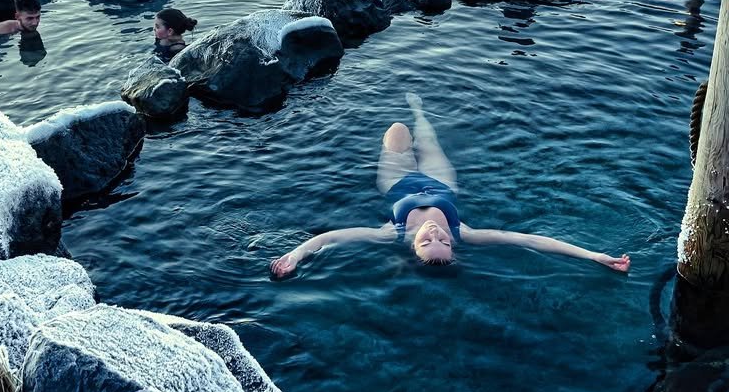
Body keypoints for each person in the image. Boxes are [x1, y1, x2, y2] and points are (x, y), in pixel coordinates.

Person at [269, 93, 631, 279]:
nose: (435, 233)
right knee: (426, 137)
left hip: (397, 182)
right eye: (441, 241)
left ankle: (412, 115)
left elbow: (329, 237)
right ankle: (421, 111)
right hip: (441, 183)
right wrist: (594, 255)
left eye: (428, 242)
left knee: (396, 132)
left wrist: (295, 256)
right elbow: (532, 240)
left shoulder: (388, 233)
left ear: (414, 248)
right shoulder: (464, 233)